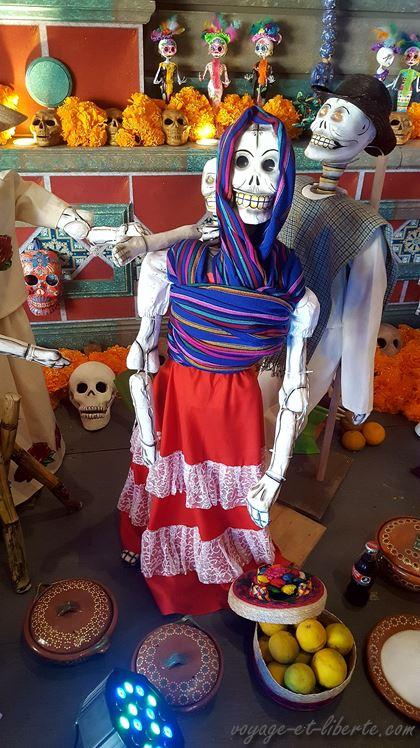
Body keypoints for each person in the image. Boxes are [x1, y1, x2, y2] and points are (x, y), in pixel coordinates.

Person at [118, 106, 318, 615]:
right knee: (172, 483)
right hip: (180, 393)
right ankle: (166, 559)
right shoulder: (173, 262)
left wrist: (273, 478)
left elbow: (294, 389)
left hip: (235, 402)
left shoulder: (292, 282)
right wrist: (147, 430)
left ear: (285, 180)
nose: (254, 180)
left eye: (270, 165)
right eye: (242, 162)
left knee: (229, 491)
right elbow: (142, 351)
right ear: (224, 172)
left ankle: (222, 560)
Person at [0, 102, 92, 504]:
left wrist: (69, 218)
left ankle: (34, 456)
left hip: (7, 307)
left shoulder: (2, 182)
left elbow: (29, 198)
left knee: (26, 391)